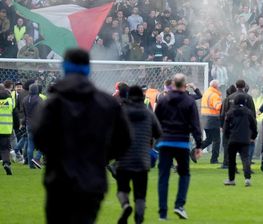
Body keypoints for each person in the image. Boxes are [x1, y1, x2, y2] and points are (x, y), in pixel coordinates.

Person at [32, 48, 132, 224]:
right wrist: (102, 156)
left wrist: (58, 154)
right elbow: (124, 140)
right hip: (92, 180)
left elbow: (39, 137)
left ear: (64, 67)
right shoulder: (107, 103)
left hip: (59, 179)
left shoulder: (53, 103)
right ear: (88, 68)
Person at [154, 73, 204, 220]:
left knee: (163, 176)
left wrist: (157, 138)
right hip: (182, 142)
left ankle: (162, 213)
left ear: (173, 84)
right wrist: (199, 145)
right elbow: (195, 124)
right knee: (184, 174)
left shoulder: (163, 100)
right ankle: (179, 205)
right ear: (184, 85)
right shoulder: (189, 102)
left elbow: (156, 120)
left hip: (165, 141)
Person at [115, 85, 162, 224]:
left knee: (122, 189)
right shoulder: (148, 113)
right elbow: (159, 132)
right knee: (140, 195)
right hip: (142, 159)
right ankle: (139, 218)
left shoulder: (122, 112)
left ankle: (125, 205)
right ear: (142, 95)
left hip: (124, 159)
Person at [223, 93, 258, 186]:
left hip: (233, 138)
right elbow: (254, 126)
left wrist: (227, 137)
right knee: (245, 158)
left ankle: (231, 180)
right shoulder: (248, 112)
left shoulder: (230, 112)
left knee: (231, 160)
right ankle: (247, 179)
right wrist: (253, 137)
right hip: (245, 139)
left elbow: (226, 127)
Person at [199, 80, 223, 165]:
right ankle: (214, 159)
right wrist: (225, 104)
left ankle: (194, 151)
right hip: (213, 120)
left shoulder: (206, 93)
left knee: (209, 139)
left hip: (205, 119)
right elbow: (218, 107)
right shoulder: (215, 95)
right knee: (217, 140)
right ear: (216, 86)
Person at [23, 83, 44, 169]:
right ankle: (37, 158)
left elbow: (24, 113)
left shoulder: (25, 99)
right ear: (37, 90)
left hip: (28, 124)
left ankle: (31, 165)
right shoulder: (39, 99)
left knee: (30, 144)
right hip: (38, 124)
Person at [0, 83, 18, 175]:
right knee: (5, 148)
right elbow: (15, 114)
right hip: (6, 129)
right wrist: (17, 125)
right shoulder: (10, 100)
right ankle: (6, 163)